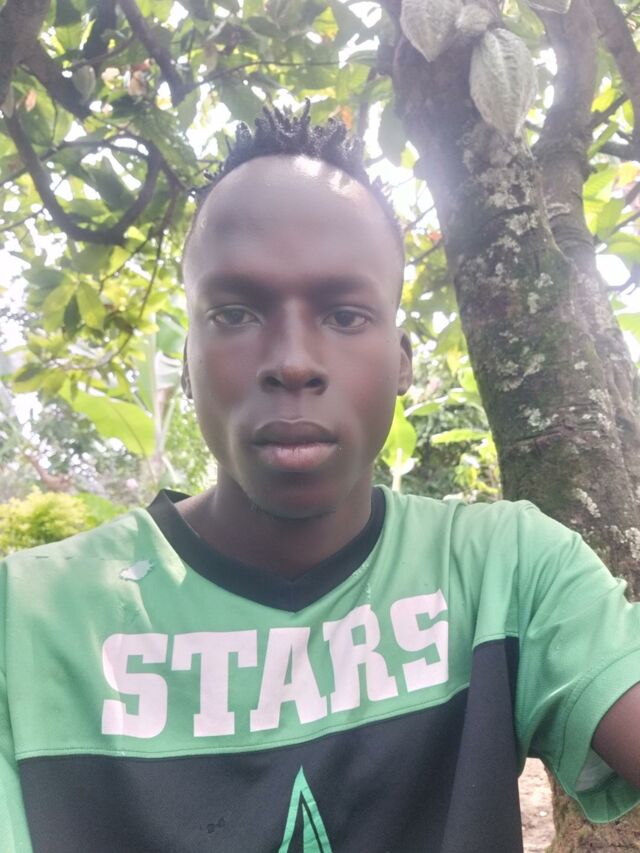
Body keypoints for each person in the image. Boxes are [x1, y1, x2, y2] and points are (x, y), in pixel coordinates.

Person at [2, 102, 639, 853]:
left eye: (344, 315)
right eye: (235, 313)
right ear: (188, 362)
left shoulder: (508, 574)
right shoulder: (30, 624)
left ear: (401, 361)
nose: (294, 362)